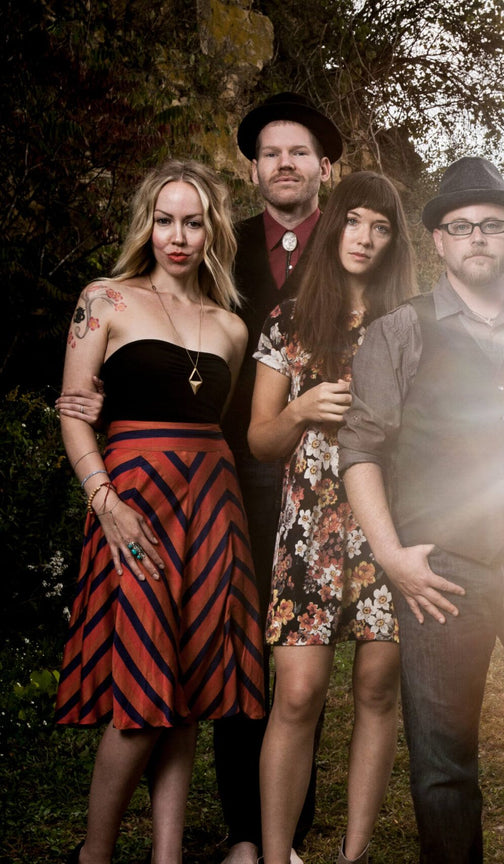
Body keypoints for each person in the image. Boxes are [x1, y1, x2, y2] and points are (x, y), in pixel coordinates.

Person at [55, 160, 265, 864]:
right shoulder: (105, 300)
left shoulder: (231, 328)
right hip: (131, 503)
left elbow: (215, 426)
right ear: (148, 222)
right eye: (166, 219)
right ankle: (94, 853)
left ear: (212, 231)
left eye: (194, 221)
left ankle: (167, 856)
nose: (179, 236)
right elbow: (74, 413)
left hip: (211, 507)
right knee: (144, 691)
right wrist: (104, 499)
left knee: (188, 686)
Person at [339, 156, 504, 863]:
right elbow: (360, 449)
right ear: (439, 243)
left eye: (493, 225)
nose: (478, 238)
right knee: (444, 765)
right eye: (462, 227)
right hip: (442, 573)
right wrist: (393, 556)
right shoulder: (400, 331)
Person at [249, 171, 414, 864]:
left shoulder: (410, 325)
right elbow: (259, 440)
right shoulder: (289, 320)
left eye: (381, 228)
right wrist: (299, 410)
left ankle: (353, 856)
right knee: (298, 693)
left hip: (387, 525)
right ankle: (279, 852)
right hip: (309, 530)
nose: (366, 238)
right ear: (334, 225)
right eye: (355, 222)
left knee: (378, 687)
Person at [220, 91, 344, 864]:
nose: (286, 164)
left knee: (304, 656)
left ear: (325, 166)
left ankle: (288, 836)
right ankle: (242, 831)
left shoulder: (357, 243)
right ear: (256, 168)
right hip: (234, 471)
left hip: (329, 482)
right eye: (271, 153)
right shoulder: (219, 246)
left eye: (299, 152)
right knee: (241, 647)